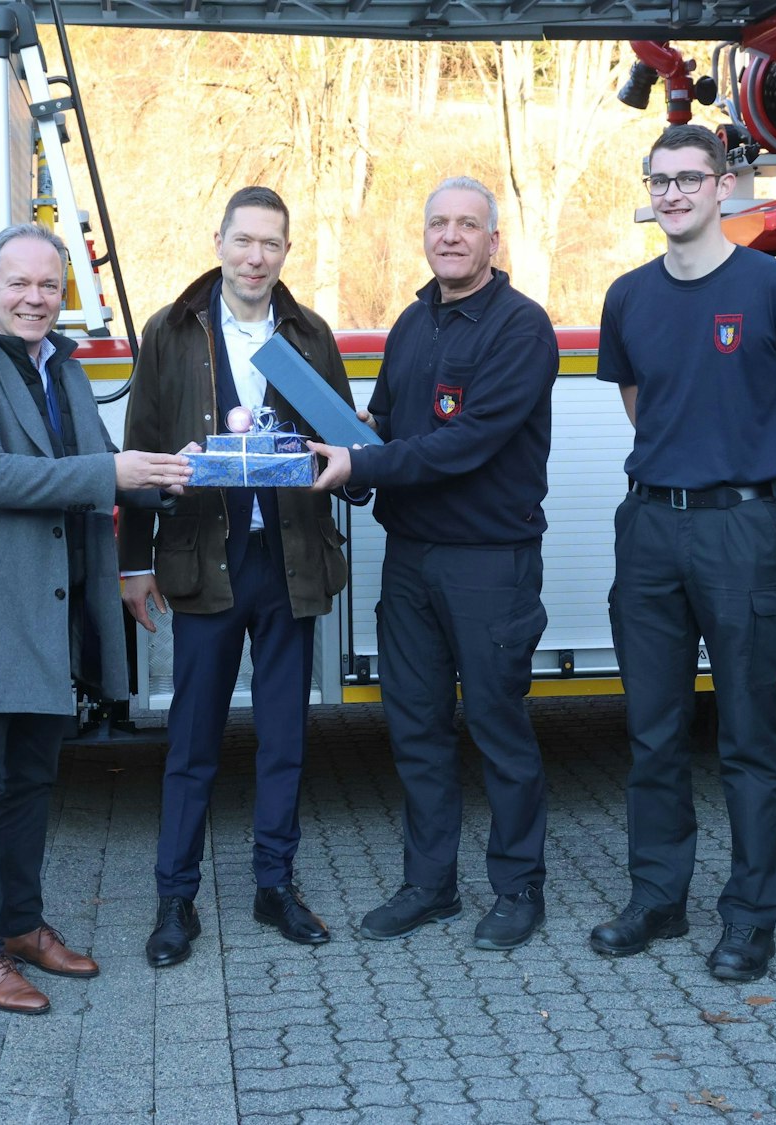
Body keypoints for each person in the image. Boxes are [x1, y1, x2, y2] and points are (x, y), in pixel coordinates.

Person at [0, 223, 191, 1013]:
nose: (36, 299)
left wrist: (181, 473)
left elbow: (100, 467)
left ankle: (19, 924)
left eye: (50, 287)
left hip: (53, 613)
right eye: (20, 284)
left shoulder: (63, 370)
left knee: (33, 780)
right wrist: (114, 471)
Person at [588, 125, 776, 983]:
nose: (674, 194)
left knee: (749, 736)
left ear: (725, 186)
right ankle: (658, 899)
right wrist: (683, 475)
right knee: (653, 733)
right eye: (659, 180)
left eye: (690, 179)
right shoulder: (627, 298)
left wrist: (745, 477)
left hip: (741, 531)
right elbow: (638, 401)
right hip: (651, 528)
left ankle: (749, 918)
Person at [308, 176, 558, 952]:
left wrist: (360, 463)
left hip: (489, 562)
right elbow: (386, 422)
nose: (450, 236)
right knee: (415, 726)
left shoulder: (521, 328)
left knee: (497, 726)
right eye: (438, 223)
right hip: (411, 559)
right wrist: (342, 433)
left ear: (494, 241)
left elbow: (468, 443)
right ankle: (431, 884)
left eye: (467, 225)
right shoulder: (413, 324)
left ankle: (519, 889)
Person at [121, 186, 358, 967]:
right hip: (205, 561)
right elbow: (143, 449)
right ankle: (174, 898)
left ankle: (274, 885)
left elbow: (350, 450)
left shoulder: (309, 335)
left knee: (285, 735)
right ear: (218, 240)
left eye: (272, 244)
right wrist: (134, 561)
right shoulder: (170, 332)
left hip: (287, 559)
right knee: (192, 739)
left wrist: (348, 467)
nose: (257, 257)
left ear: (286, 252)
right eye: (244, 241)